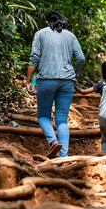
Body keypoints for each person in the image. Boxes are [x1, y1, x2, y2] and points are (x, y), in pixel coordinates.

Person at [26, 10, 85, 158]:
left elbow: (34, 59)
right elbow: (81, 58)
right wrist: (75, 74)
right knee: (62, 119)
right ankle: (63, 157)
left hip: (46, 80)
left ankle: (53, 141)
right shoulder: (70, 36)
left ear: (47, 22)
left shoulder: (40, 34)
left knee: (43, 116)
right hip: (67, 82)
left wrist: (29, 81)